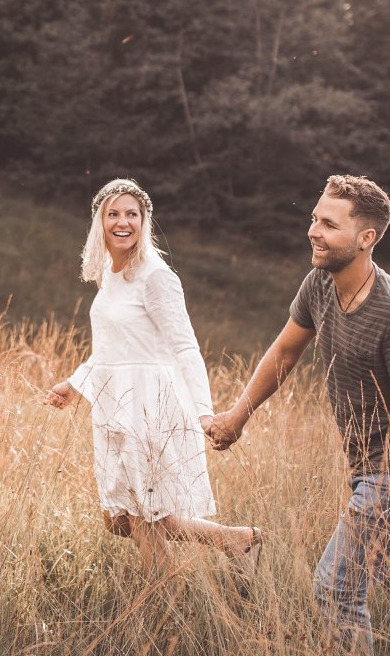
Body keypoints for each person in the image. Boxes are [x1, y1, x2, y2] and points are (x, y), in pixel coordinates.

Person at [207, 175, 390, 656]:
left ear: (366, 238)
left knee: (336, 587)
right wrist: (236, 417)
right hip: (369, 469)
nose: (313, 230)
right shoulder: (319, 283)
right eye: (314, 218)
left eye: (329, 224)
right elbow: (285, 351)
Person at [45, 178, 259, 574]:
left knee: (139, 512)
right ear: (100, 221)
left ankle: (159, 593)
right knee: (118, 518)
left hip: (149, 406)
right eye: (113, 214)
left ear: (144, 222)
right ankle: (232, 539)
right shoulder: (110, 272)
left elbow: (185, 347)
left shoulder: (156, 276)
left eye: (132, 214)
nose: (123, 222)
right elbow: (113, 348)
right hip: (115, 404)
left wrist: (203, 412)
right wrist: (73, 385)